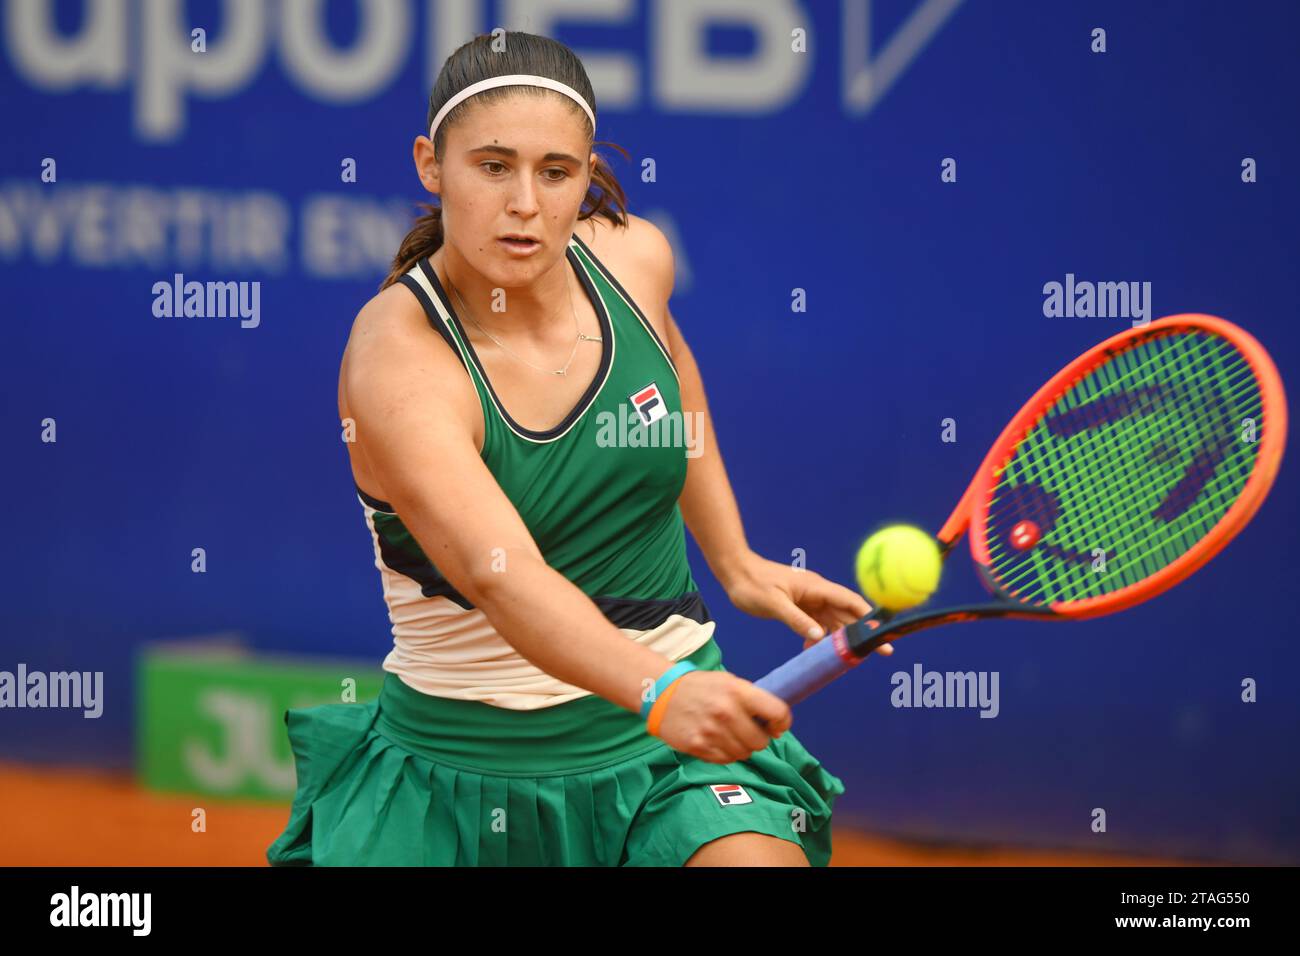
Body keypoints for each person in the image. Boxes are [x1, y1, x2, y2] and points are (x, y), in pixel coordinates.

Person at [267, 30, 891, 868]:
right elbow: (499, 571)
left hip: (664, 761)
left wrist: (735, 560)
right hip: (458, 778)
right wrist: (661, 690)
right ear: (430, 164)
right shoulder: (398, 358)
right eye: (493, 166)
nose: (525, 202)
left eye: (555, 172)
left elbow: (673, 376)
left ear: (585, 174)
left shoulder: (636, 261)